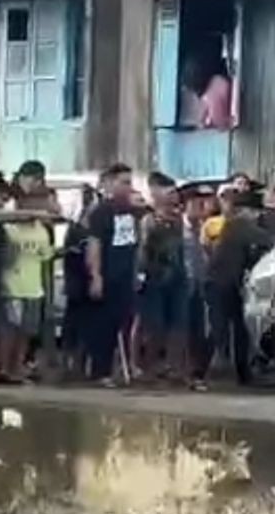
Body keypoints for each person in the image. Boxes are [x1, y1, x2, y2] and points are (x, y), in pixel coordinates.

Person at [202, 188, 272, 386]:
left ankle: (243, 374)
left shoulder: (237, 226)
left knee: (241, 330)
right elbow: (268, 240)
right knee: (218, 329)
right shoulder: (239, 225)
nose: (258, 215)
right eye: (256, 211)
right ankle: (199, 371)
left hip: (232, 285)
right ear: (245, 210)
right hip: (218, 283)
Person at [86, 163, 141, 387]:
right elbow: (95, 244)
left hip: (126, 276)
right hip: (109, 275)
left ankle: (124, 366)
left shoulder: (131, 211)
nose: (128, 187)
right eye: (124, 182)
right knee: (104, 325)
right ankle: (101, 371)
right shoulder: (101, 212)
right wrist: (96, 275)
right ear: (110, 183)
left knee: (125, 322)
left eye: (130, 182)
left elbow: (136, 245)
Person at [0, 194, 55, 382]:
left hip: (34, 288)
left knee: (27, 331)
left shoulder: (41, 231)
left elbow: (45, 257)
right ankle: (5, 368)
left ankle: (18, 366)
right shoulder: (8, 229)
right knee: (11, 330)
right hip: (12, 287)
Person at [137, 177, 187, 382]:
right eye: (169, 194)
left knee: (178, 324)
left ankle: (172, 366)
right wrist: (141, 275)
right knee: (154, 325)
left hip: (177, 275)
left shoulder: (177, 220)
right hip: (155, 277)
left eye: (174, 193)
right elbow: (143, 251)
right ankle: (149, 366)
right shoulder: (149, 221)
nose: (173, 198)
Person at [61, 185, 96, 379]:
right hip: (76, 285)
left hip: (87, 283)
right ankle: (70, 363)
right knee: (72, 326)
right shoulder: (75, 231)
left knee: (86, 326)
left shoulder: (93, 230)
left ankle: (80, 364)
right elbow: (70, 258)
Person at [182, 185, 213, 391]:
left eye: (203, 202)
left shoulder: (202, 228)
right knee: (182, 331)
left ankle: (195, 373)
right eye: (196, 203)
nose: (200, 207)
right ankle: (182, 372)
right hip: (182, 286)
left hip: (199, 286)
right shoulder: (179, 228)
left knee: (198, 331)